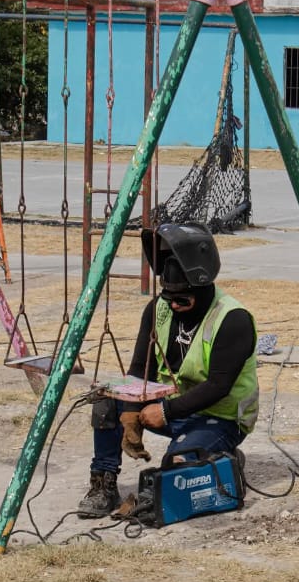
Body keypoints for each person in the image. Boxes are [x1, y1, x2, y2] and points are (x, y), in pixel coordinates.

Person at [79, 222, 259, 518]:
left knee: (178, 465)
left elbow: (218, 386)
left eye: (182, 300)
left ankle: (219, 456)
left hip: (220, 417)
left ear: (202, 290)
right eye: (168, 298)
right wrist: (127, 411)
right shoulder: (157, 309)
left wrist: (165, 413)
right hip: (175, 408)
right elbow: (139, 369)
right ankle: (104, 484)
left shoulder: (232, 319)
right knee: (104, 401)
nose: (173, 305)